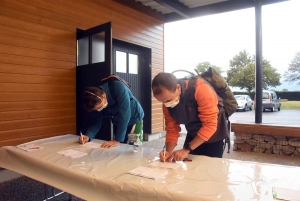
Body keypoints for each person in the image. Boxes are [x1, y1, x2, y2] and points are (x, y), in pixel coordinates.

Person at [151, 73, 228, 161]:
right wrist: (168, 151)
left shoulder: (201, 89)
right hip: (193, 134)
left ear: (178, 88)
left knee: (210, 170)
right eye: (162, 101)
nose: (167, 104)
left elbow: (210, 125)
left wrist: (186, 150)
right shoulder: (166, 104)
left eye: (169, 100)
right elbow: (172, 129)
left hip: (214, 137)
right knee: (190, 170)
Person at [79, 79, 144, 148]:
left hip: (134, 116)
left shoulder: (118, 87)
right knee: (119, 149)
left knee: (134, 148)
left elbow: (125, 114)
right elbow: (96, 121)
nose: (99, 110)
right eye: (96, 109)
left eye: (100, 107)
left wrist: (117, 140)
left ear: (103, 96)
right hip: (118, 120)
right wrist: (88, 136)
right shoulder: (95, 102)